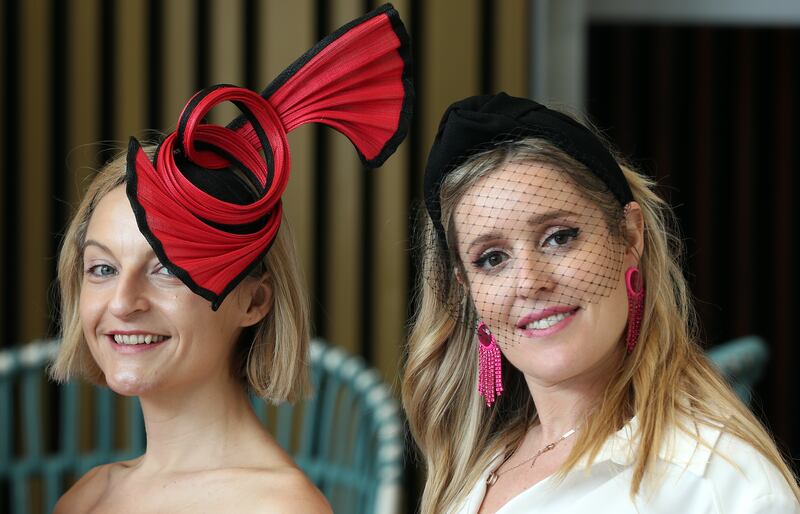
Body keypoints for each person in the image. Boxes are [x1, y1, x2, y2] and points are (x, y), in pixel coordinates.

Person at [49, 4, 412, 513]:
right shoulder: (87, 497)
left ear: (254, 301)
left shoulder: (279, 507)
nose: (124, 301)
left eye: (167, 270)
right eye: (102, 269)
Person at [402, 93, 800, 513]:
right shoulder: (478, 465)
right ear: (468, 289)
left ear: (629, 236)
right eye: (493, 259)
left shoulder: (721, 487)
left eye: (559, 237)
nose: (531, 282)